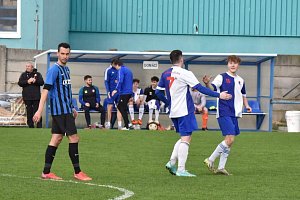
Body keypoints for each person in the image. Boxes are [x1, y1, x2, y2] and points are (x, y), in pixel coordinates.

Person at [155, 50, 231, 177]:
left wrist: (168, 103)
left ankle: (172, 162)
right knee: (186, 138)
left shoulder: (165, 73)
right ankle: (181, 169)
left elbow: (158, 93)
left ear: (171, 61)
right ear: (181, 59)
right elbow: (200, 88)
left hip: (174, 111)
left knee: (183, 137)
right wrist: (219, 95)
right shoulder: (185, 73)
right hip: (185, 110)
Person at [33, 42, 92, 181]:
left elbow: (65, 91)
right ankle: (77, 172)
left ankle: (46, 172)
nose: (65, 56)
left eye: (67, 54)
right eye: (62, 53)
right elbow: (45, 91)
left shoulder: (67, 70)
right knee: (74, 138)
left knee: (56, 138)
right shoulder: (54, 70)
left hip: (66, 109)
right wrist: (39, 110)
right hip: (60, 112)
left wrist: (72, 106)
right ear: (57, 54)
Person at [202, 55, 252, 175]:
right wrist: (207, 84)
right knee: (229, 140)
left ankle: (221, 167)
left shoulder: (241, 80)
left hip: (235, 113)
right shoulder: (222, 77)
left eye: (235, 63)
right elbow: (213, 88)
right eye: (230, 63)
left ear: (238, 65)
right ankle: (210, 159)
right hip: (224, 111)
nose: (233, 65)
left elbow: (243, 95)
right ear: (227, 65)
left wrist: (247, 105)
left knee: (230, 140)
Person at [18, 62, 44, 128]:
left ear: (32, 67)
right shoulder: (23, 75)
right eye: (26, 66)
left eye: (29, 66)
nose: (27, 67)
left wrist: (35, 81)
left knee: (37, 111)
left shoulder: (38, 74)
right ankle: (30, 126)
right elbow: (20, 83)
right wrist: (27, 81)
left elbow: (42, 82)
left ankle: (39, 126)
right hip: (27, 97)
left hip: (36, 97)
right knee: (29, 112)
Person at [111, 59, 133, 130]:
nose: (116, 68)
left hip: (124, 92)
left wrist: (116, 90)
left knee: (120, 107)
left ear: (117, 65)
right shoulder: (128, 70)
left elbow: (120, 81)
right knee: (123, 107)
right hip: (129, 92)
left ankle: (127, 125)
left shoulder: (121, 70)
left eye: (115, 67)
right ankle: (128, 123)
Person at [104, 63, 118, 129]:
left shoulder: (120, 69)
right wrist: (108, 91)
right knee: (110, 106)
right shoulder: (108, 70)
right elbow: (106, 81)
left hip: (118, 92)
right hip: (111, 92)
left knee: (120, 107)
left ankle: (119, 124)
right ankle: (108, 123)